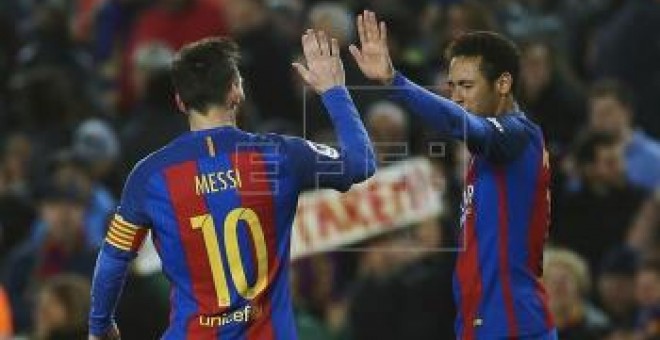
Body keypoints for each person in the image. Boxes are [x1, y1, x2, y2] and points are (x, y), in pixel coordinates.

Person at [88, 33, 376, 339]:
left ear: (181, 102)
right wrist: (334, 91)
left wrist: (100, 325)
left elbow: (113, 257)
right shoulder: (280, 156)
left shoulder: (149, 176)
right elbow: (361, 163)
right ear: (236, 92)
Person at [349, 10, 555, 339]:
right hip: (479, 324)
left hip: (515, 326)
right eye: (453, 86)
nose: (457, 96)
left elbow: (461, 122)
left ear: (503, 83)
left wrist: (393, 81)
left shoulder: (519, 135)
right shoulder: (483, 158)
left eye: (467, 85)